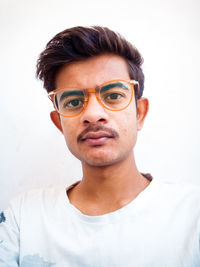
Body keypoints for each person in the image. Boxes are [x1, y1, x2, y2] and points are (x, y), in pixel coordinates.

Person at [0, 26, 200, 267]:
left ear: (140, 113)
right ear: (59, 123)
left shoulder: (192, 214)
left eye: (113, 95)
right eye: (73, 101)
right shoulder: (23, 218)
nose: (93, 115)